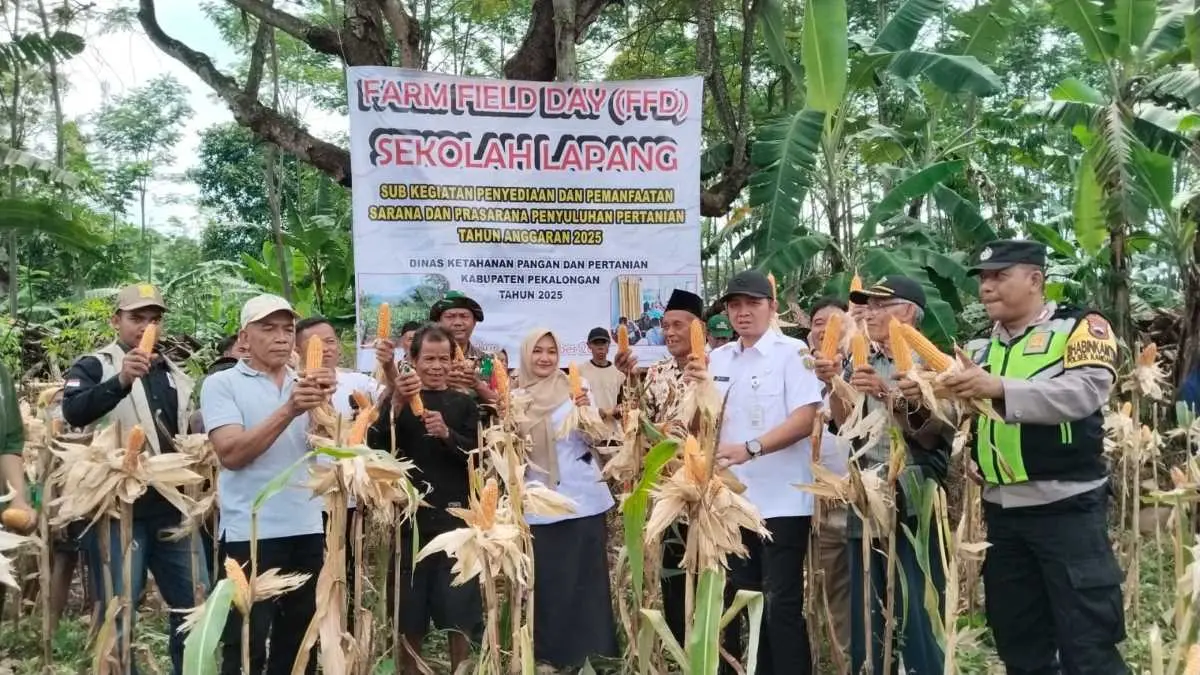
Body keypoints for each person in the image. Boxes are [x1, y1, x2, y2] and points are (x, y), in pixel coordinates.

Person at [944, 240, 1128, 675]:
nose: (987, 287)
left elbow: (1085, 392)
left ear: (1035, 280)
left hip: (1066, 511)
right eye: (983, 279)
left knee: (1087, 642)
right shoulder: (977, 348)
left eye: (999, 276)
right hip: (1002, 517)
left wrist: (1001, 388)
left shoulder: (1080, 327)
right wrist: (920, 397)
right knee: (1019, 640)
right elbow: (961, 418)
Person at [60, 283, 207, 675]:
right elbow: (74, 412)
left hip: (172, 506)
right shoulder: (94, 366)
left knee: (195, 604)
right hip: (116, 509)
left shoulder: (171, 372)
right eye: (136, 318)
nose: (146, 327)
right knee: (118, 609)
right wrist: (120, 382)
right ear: (116, 320)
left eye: (154, 319)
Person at [817, 277, 950, 674]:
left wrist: (885, 394)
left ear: (907, 313)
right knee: (868, 605)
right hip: (866, 493)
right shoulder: (863, 359)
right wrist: (834, 384)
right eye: (866, 307)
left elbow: (937, 430)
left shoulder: (934, 365)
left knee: (917, 600)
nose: (867, 314)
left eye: (878, 306)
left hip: (914, 495)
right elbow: (846, 427)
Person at [200, 294, 334, 675]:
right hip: (250, 532)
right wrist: (290, 409)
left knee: (299, 645)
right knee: (245, 644)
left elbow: (329, 455)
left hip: (307, 528)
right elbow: (232, 453)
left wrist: (325, 411)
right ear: (244, 338)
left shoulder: (309, 383)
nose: (281, 337)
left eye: (287, 329)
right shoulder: (221, 384)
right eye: (268, 328)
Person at [708, 270, 823, 675]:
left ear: (772, 307)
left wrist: (751, 448)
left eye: (752, 304)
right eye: (734, 305)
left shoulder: (795, 354)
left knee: (781, 604)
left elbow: (806, 418)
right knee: (740, 599)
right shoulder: (716, 360)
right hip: (731, 505)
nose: (742, 313)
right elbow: (704, 422)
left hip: (783, 502)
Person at [368, 325, 481, 674]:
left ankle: (460, 667)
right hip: (408, 523)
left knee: (459, 611)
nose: (436, 366)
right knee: (409, 615)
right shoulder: (392, 401)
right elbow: (375, 450)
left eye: (443, 359)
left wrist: (447, 434)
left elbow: (478, 457)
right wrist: (397, 402)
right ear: (412, 360)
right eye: (428, 359)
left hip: (455, 523)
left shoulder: (463, 403)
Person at [517, 329, 618, 670]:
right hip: (540, 502)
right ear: (526, 355)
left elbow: (598, 438)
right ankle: (552, 656)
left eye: (551, 351)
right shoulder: (514, 395)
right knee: (549, 581)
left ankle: (597, 653)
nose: (545, 358)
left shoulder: (577, 388)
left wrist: (588, 413)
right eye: (537, 352)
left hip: (584, 497)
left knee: (588, 580)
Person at [804, 296, 852, 657]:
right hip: (812, 501)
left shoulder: (862, 368)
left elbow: (850, 423)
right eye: (818, 323)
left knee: (866, 588)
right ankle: (836, 658)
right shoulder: (797, 370)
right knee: (829, 590)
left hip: (856, 498)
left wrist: (835, 377)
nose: (824, 330)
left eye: (834, 322)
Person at [430, 291, 499, 405]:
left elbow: (503, 406)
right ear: (438, 323)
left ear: (474, 322)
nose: (458, 323)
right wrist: (438, 381)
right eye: (450, 317)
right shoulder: (423, 359)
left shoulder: (488, 361)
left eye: (464, 316)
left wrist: (477, 385)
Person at [575, 327, 626, 437]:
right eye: (596, 343)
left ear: (608, 346)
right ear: (589, 346)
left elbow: (622, 403)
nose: (600, 348)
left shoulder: (618, 373)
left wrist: (620, 411)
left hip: (613, 434)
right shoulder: (580, 371)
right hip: (589, 432)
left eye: (603, 343)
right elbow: (576, 406)